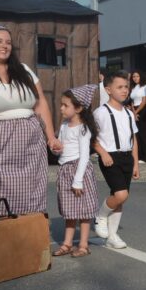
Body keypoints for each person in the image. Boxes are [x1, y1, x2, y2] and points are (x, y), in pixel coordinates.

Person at [0, 23, 59, 219]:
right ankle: (4, 245)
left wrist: (51, 137)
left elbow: (40, 105)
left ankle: (26, 244)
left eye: (8, 42)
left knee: (30, 196)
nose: (4, 46)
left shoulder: (23, 70)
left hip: (30, 141)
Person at [93, 71, 139, 249]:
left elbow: (134, 140)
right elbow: (92, 138)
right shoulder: (101, 112)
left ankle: (112, 235)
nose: (124, 90)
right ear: (108, 90)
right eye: (119, 87)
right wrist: (103, 153)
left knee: (120, 198)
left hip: (127, 157)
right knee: (121, 194)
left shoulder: (128, 113)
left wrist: (135, 163)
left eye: (126, 87)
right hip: (110, 157)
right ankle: (101, 215)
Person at [53, 85, 100, 258]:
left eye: (65, 105)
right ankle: (67, 243)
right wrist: (56, 149)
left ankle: (83, 244)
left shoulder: (83, 128)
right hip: (65, 169)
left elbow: (85, 156)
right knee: (69, 210)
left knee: (84, 210)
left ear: (78, 108)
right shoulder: (65, 125)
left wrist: (78, 180)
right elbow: (60, 146)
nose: (61, 108)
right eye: (61, 105)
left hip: (79, 170)